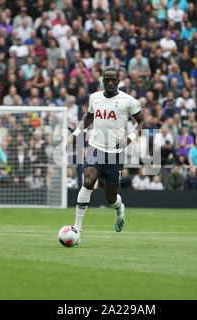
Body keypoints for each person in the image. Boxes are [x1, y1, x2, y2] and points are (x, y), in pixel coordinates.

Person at [68, 67, 144, 244]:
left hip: (115, 154)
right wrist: (77, 133)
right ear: (102, 80)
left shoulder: (128, 101)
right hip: (95, 148)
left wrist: (130, 138)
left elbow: (142, 122)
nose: (110, 83)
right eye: (107, 79)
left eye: (113, 80)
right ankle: (77, 228)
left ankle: (119, 209)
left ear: (119, 80)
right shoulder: (95, 97)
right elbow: (89, 116)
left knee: (111, 198)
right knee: (88, 181)